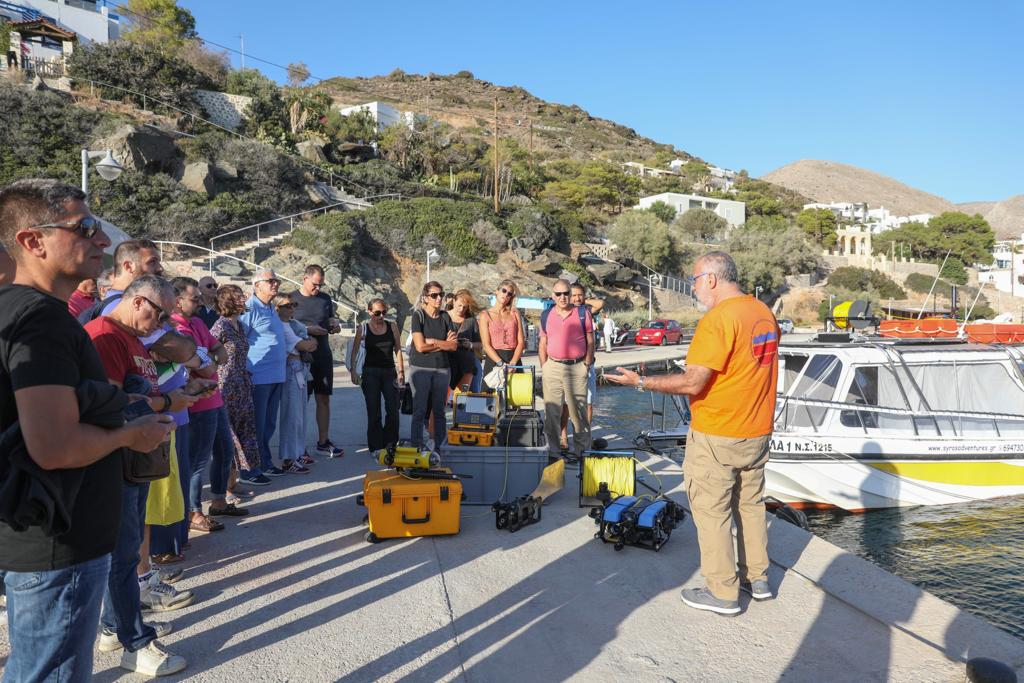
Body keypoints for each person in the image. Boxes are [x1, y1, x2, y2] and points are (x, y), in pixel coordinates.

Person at [0, 179, 174, 681]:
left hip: (42, 533)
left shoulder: (22, 312)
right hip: (59, 541)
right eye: (86, 228)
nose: (102, 240)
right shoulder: (40, 321)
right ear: (33, 241)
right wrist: (130, 434)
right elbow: (54, 445)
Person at [606, 251, 780, 616]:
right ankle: (757, 579)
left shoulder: (718, 320)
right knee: (750, 505)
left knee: (711, 510)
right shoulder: (762, 312)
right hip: (757, 430)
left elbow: (693, 381)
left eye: (694, 281)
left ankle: (723, 592)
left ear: (712, 279)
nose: (693, 289)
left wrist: (640, 381)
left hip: (719, 432)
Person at [85, 274, 205, 676]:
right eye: (158, 314)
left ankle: (110, 627)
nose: (160, 325)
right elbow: (110, 403)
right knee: (121, 557)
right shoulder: (105, 336)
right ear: (138, 302)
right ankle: (135, 643)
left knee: (124, 550)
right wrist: (168, 400)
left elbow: (143, 391)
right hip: (115, 461)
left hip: (134, 461)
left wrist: (178, 395)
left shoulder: (135, 338)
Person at [170, 277, 248, 529]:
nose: (201, 301)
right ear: (177, 301)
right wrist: (207, 360)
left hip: (215, 399)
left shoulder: (198, 323)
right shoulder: (176, 329)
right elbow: (203, 366)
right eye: (195, 298)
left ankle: (218, 501)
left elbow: (219, 355)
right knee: (197, 461)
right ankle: (193, 512)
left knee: (225, 451)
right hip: (197, 403)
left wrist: (206, 359)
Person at [210, 285, 266, 485]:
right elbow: (207, 353)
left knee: (243, 434)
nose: (244, 299)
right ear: (228, 301)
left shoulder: (240, 325)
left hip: (242, 385)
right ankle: (225, 489)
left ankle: (233, 483)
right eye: (239, 297)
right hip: (226, 387)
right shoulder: (220, 326)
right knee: (228, 437)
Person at [292, 264, 345, 458]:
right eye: (315, 284)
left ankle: (323, 442)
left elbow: (330, 320)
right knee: (300, 402)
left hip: (322, 354)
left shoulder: (325, 299)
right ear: (304, 278)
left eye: (320, 285)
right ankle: (298, 445)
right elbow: (285, 327)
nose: (318, 289)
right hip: (299, 357)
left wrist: (334, 324)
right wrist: (307, 330)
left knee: (323, 398)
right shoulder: (291, 300)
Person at [539, 278, 594, 461]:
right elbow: (543, 343)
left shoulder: (582, 313)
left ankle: (581, 452)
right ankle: (554, 453)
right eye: (558, 294)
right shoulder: (546, 315)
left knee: (578, 413)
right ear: (552, 296)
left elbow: (591, 340)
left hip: (577, 367)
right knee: (552, 413)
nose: (563, 297)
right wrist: (544, 365)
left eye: (566, 293)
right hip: (552, 367)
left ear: (571, 295)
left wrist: (586, 364)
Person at [241, 269, 287, 480]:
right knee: (255, 426)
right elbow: (239, 342)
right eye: (270, 281)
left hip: (276, 376)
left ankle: (265, 462)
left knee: (268, 425)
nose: (275, 284)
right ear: (257, 285)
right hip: (257, 377)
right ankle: (249, 469)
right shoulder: (249, 309)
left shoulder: (270, 308)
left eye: (276, 281)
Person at [350, 298, 405, 452]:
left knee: (393, 410)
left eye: (383, 312)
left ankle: (390, 443)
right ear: (369, 312)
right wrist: (353, 371)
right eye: (377, 313)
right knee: (374, 411)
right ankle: (376, 446)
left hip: (389, 372)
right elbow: (354, 351)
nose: (381, 316)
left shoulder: (392, 326)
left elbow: (398, 349)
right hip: (370, 373)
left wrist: (401, 371)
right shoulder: (363, 328)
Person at [408, 281, 458, 449]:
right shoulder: (418, 316)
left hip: (443, 370)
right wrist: (444, 344)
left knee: (440, 413)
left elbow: (454, 346)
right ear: (425, 298)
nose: (438, 299)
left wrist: (435, 342)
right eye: (434, 295)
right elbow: (420, 347)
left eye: (441, 295)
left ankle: (441, 449)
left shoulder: (445, 317)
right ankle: (417, 447)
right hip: (421, 369)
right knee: (420, 411)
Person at [273, 292, 316, 474]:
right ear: (277, 308)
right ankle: (289, 458)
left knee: (300, 416)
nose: (291, 308)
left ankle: (297, 454)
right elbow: (306, 345)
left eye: (293, 304)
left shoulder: (293, 324)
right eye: (287, 305)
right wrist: (308, 342)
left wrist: (309, 342)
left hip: (300, 368)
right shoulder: (281, 326)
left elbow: (312, 343)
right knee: (292, 416)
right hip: (291, 370)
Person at [560, 283, 602, 450]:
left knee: (589, 402)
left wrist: (583, 299)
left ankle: (585, 435)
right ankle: (564, 436)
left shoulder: (586, 311)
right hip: (570, 363)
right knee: (566, 404)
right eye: (574, 295)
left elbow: (600, 303)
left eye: (580, 295)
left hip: (588, 363)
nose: (577, 298)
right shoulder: (566, 312)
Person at [480, 279, 525, 388]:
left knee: (515, 398)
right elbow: (486, 345)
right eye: (504, 291)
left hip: (513, 358)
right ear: (497, 291)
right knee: (490, 401)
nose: (506, 295)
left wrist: (513, 362)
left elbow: (521, 341)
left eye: (510, 294)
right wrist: (500, 363)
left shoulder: (514, 313)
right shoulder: (485, 315)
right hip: (494, 359)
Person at [448, 289, 482, 392]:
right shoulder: (443, 317)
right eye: (459, 305)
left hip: (467, 364)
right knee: (443, 397)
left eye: (465, 307)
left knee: (464, 395)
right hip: (447, 362)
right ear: (453, 301)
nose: (461, 309)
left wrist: (470, 344)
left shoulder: (471, 320)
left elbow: (480, 344)